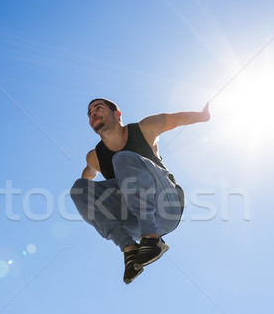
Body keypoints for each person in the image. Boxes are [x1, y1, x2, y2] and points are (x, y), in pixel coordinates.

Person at [71, 98, 211, 284]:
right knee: (78, 188)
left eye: (98, 108)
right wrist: (86, 202)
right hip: (134, 222)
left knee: (122, 159)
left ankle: (152, 239)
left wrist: (202, 116)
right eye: (89, 113)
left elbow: (173, 120)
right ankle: (129, 249)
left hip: (166, 206)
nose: (93, 114)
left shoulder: (145, 128)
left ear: (117, 114)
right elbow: (87, 178)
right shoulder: (94, 157)